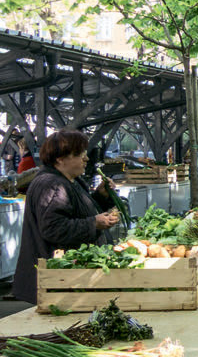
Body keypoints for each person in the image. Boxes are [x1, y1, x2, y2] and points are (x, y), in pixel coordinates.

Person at [12, 129, 118, 304]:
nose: (86, 158)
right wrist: (93, 223)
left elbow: (76, 210)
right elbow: (53, 229)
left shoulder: (69, 180)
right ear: (60, 159)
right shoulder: (52, 185)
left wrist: (101, 197)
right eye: (80, 154)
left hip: (66, 280)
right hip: (57, 281)